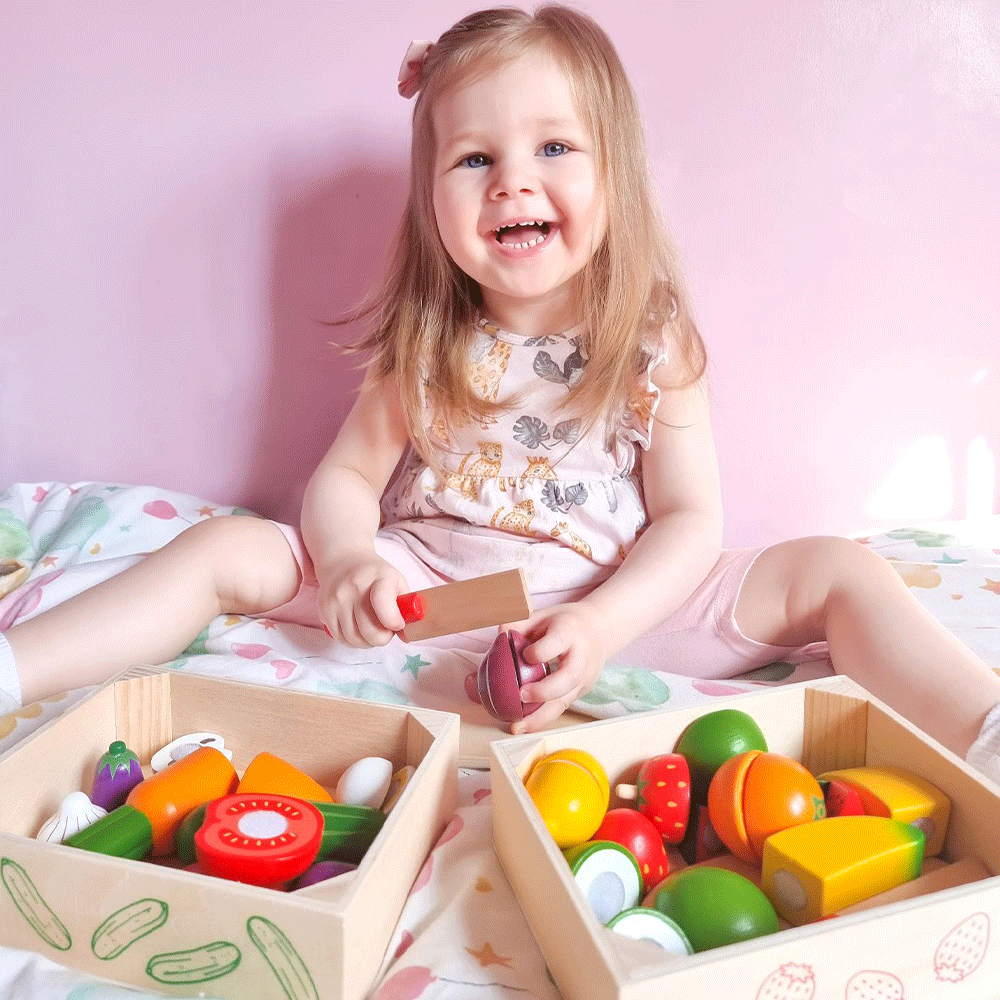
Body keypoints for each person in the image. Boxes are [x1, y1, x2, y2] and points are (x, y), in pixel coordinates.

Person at [4, 5, 1000, 778]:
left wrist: (599, 626)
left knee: (834, 566)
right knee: (224, 546)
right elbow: (346, 476)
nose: (511, 183)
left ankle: (983, 728)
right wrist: (350, 560)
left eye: (553, 149)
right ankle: (18, 669)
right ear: (431, 198)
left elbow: (692, 521)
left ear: (615, 174)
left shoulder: (650, 340)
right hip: (427, 592)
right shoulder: (429, 340)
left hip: (610, 597)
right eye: (474, 158)